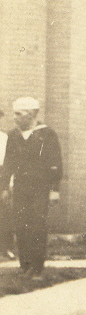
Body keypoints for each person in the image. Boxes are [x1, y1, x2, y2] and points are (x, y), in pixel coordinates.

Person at [1, 98, 63, 278]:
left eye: (18, 114)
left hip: (40, 188)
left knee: (36, 224)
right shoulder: (13, 136)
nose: (14, 118)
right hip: (20, 187)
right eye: (14, 114)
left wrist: (54, 189)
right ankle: (24, 265)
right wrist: (4, 187)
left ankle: (36, 266)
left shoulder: (47, 134)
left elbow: (55, 163)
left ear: (31, 115)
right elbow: (8, 164)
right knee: (21, 224)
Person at [0, 109, 14, 259]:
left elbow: (9, 163)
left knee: (4, 213)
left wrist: (8, 184)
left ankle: (6, 248)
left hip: (1, 176)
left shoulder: (4, 138)